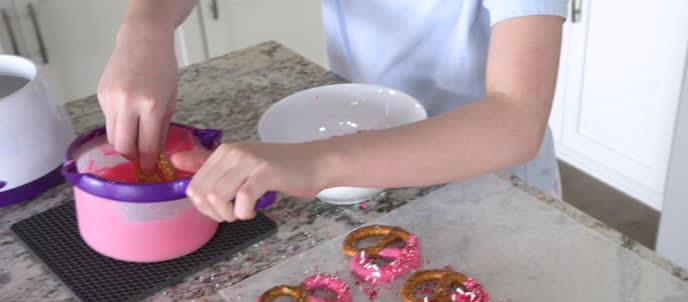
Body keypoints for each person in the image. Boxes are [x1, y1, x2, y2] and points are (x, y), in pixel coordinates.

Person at [98, 1, 566, 222]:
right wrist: (144, 31)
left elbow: (515, 120)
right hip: (362, 160)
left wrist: (316, 162)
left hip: (490, 185)